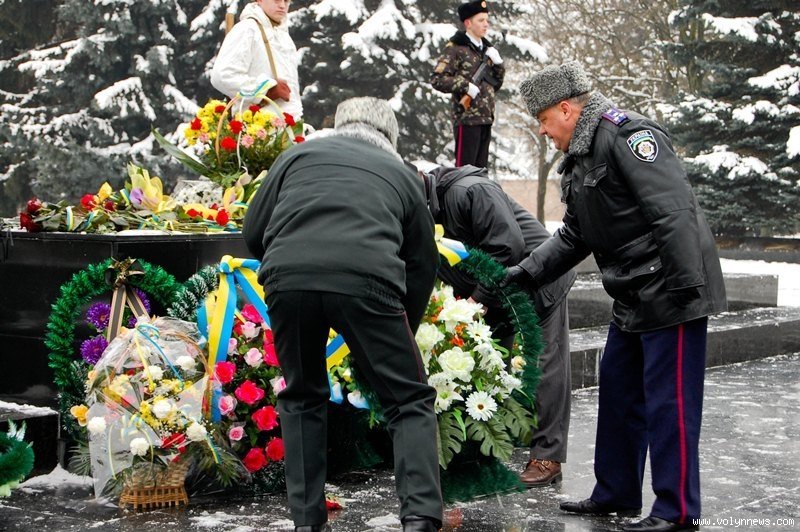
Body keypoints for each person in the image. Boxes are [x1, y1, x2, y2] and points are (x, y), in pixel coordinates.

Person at [505, 62, 727, 532]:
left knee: (669, 403)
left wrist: (685, 290)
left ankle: (676, 511)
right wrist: (524, 275)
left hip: (671, 288)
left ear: (566, 109)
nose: (542, 131)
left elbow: (673, 210)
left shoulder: (627, 136)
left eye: (543, 119)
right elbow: (574, 235)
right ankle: (617, 492)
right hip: (632, 292)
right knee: (620, 391)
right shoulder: (581, 156)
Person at [243, 97, 443, 532]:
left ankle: (307, 522)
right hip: (369, 280)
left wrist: (288, 266)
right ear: (390, 138)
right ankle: (421, 518)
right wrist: (401, 329)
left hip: (288, 278)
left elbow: (253, 230)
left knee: (302, 396)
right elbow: (423, 262)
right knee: (408, 399)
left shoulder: (296, 155)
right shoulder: (400, 173)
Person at [422, 164, 576, 487]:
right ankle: (492, 444)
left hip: (539, 278)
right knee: (489, 364)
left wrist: (475, 302)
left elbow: (506, 248)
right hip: (496, 291)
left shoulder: (470, 191)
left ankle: (548, 457)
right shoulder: (432, 209)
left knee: (546, 364)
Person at [431, 1, 504, 168]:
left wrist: (498, 64)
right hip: (467, 119)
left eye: (487, 20)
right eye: (481, 20)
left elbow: (496, 84)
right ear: (468, 23)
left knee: (481, 173)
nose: (486, 24)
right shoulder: (456, 48)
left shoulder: (487, 50)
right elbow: (437, 79)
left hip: (486, 118)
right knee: (464, 172)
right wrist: (466, 86)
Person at [210, 0, 303, 119]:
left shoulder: (285, 37)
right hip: (256, 125)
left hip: (289, 124)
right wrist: (267, 90)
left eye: (286, 1)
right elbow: (222, 76)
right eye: (277, 0)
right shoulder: (247, 29)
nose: (282, 5)